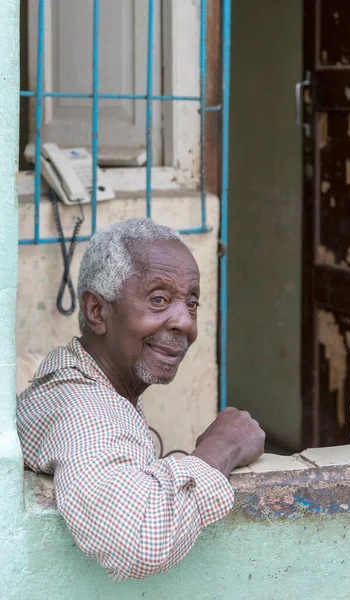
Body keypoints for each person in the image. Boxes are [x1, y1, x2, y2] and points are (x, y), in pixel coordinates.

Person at [17, 218, 265, 581]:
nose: (184, 323)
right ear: (96, 311)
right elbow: (135, 540)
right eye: (159, 299)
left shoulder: (85, 380)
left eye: (191, 303)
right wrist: (219, 449)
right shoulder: (85, 412)